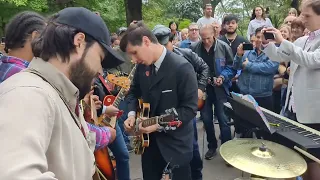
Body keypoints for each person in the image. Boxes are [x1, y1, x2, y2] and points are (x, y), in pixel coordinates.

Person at [0, 7, 124, 179]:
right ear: (79, 41)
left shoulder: (57, 93)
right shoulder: (28, 94)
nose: (100, 71)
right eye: (100, 58)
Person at [121, 21, 198, 180]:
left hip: (176, 146)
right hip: (148, 145)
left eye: (135, 53)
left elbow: (189, 110)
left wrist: (157, 124)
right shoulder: (142, 66)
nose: (134, 60)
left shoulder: (182, 68)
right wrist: (131, 114)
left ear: (146, 41)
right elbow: (133, 92)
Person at [262, 0, 320, 179]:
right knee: (296, 158)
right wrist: (268, 44)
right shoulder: (302, 40)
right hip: (293, 107)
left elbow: (311, 60)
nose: (302, 19)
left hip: (313, 112)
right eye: (302, 14)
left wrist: (283, 41)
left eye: (307, 15)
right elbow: (280, 55)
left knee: (313, 161)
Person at [152, 24, 210, 180]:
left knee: (192, 148)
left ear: (172, 41)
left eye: (166, 44)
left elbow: (204, 67)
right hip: (165, 113)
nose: (163, 48)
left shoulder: (186, 54)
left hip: (185, 109)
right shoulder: (151, 62)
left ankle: (197, 176)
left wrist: (200, 87)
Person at [190, 24, 235, 160]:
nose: (206, 41)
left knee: (224, 120)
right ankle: (212, 146)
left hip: (220, 89)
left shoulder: (223, 47)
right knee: (207, 120)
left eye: (208, 38)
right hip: (203, 90)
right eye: (203, 39)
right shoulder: (195, 48)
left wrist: (223, 77)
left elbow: (231, 67)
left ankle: (227, 150)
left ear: (214, 34)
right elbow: (191, 68)